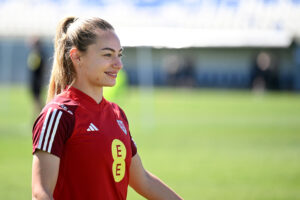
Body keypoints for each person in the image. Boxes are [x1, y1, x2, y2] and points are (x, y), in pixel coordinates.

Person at [31, 16, 183, 200]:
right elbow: (41, 193)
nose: (118, 64)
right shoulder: (59, 114)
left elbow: (142, 179)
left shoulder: (117, 114)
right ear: (77, 57)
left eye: (119, 54)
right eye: (107, 54)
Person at [27, 37, 45, 113]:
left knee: (38, 99)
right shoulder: (36, 53)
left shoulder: (39, 54)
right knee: (36, 99)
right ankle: (36, 115)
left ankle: (42, 113)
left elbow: (36, 67)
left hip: (37, 80)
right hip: (35, 80)